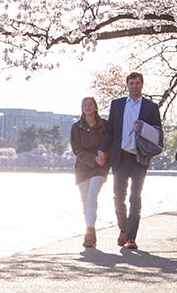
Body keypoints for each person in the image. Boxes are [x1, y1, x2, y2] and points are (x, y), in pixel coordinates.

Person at [97, 71, 163, 250]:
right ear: (127, 85)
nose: (134, 86)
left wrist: (142, 128)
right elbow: (110, 130)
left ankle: (132, 237)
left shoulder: (150, 107)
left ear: (142, 85)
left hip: (139, 157)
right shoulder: (117, 105)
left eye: (137, 83)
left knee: (135, 197)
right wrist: (102, 150)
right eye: (131, 83)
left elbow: (157, 134)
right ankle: (123, 228)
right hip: (120, 156)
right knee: (119, 197)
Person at [70, 96, 110, 248]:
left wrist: (104, 156)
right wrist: (93, 158)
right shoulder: (76, 127)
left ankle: (89, 231)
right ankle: (90, 229)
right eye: (84, 105)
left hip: (100, 166)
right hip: (82, 166)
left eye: (90, 104)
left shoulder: (104, 125)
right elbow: (76, 149)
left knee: (92, 197)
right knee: (85, 200)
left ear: (95, 107)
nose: (87, 107)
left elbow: (110, 143)